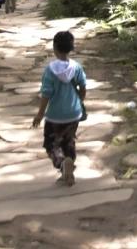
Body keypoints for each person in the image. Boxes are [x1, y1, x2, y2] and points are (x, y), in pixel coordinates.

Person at [30, 30, 87, 186]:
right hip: (73, 114)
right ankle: (68, 165)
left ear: (54, 47)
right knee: (69, 141)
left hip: (55, 116)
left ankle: (62, 164)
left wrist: (40, 115)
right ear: (71, 48)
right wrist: (79, 102)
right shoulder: (76, 67)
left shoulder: (50, 70)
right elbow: (83, 87)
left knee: (51, 144)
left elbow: (46, 94)